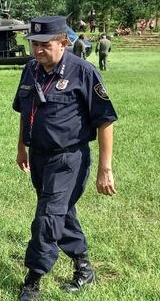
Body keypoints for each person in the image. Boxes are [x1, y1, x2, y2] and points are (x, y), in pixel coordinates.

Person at [13, 16, 118, 301]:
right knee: (61, 212)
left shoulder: (83, 72)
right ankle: (83, 266)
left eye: (44, 45)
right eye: (34, 44)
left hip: (68, 159)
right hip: (39, 157)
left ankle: (33, 279)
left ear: (63, 42)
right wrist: (22, 147)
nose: (37, 50)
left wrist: (105, 168)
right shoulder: (30, 70)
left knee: (47, 217)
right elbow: (25, 112)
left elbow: (105, 120)